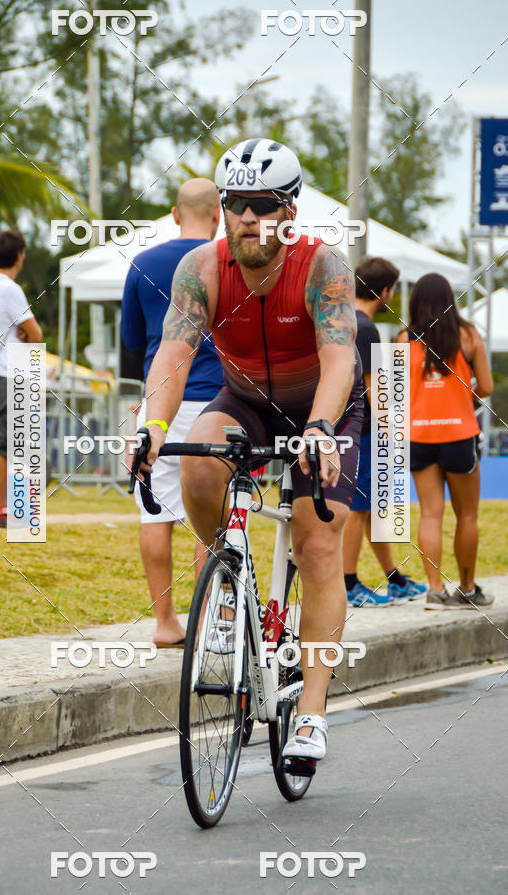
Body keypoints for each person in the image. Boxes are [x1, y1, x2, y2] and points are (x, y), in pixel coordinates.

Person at [135, 138, 364, 764]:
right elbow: (174, 357)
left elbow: (340, 357)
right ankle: (230, 583)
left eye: (262, 204)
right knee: (198, 457)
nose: (247, 218)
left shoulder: (325, 267)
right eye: (236, 203)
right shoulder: (200, 271)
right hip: (248, 402)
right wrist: (153, 424)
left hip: (326, 405)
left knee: (318, 541)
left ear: (290, 210)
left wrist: (318, 429)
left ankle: (312, 714)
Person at [121, 178, 224, 648]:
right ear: (219, 215)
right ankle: (207, 621)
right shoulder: (226, 264)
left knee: (154, 513)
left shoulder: (143, 264)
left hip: (159, 403)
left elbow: (133, 342)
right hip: (216, 402)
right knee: (211, 515)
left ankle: (164, 622)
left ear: (174, 212)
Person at [397, 273, 494, 608]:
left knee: (430, 514)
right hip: (459, 434)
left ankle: (435, 589)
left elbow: (395, 394)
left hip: (419, 435)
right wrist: (465, 398)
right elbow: (487, 386)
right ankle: (467, 588)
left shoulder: (402, 338)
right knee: (467, 516)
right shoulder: (468, 336)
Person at [343, 257, 427, 606]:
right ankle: (348, 585)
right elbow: (373, 390)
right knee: (359, 510)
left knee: (374, 506)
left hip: (347, 426)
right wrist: (392, 433)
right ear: (385, 291)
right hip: (361, 430)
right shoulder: (366, 328)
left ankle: (393, 577)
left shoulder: (345, 319)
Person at [0, 230, 43, 529]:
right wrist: (25, 332)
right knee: (6, 446)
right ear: (19, 255)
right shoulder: (9, 288)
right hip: (11, 372)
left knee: (0, 444)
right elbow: (35, 333)